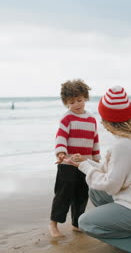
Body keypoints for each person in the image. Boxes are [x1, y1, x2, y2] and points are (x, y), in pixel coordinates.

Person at [63, 86, 131, 253]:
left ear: (108, 120)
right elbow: (114, 171)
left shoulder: (123, 145)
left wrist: (83, 166)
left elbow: (112, 185)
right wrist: (87, 162)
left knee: (85, 222)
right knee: (96, 192)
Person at [49, 79, 101, 237]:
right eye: (72, 102)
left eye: (79, 100)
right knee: (64, 193)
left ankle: (77, 223)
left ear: (85, 97)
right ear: (66, 103)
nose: (77, 104)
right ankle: (54, 223)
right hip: (67, 163)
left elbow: (95, 140)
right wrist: (61, 153)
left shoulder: (91, 119)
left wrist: (96, 159)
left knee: (82, 193)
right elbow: (61, 137)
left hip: (84, 164)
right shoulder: (67, 119)